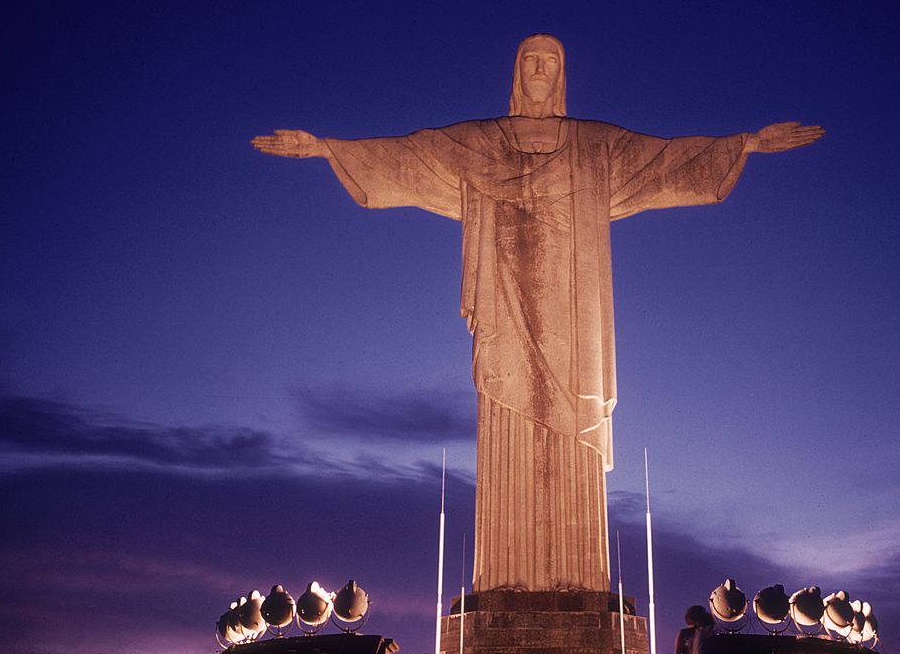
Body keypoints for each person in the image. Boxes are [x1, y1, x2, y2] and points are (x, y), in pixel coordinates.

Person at [252, 34, 824, 593]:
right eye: (530, 59)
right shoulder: (478, 142)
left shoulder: (595, 146)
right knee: (505, 410)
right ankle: (504, 582)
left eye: (551, 61)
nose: (540, 69)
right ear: (515, 72)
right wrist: (326, 147)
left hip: (575, 318)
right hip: (504, 305)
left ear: (563, 75)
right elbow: (409, 154)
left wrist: (746, 143)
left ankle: (580, 583)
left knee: (573, 424)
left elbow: (670, 158)